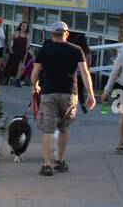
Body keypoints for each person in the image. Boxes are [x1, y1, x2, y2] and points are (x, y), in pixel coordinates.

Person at [31, 20, 96, 176]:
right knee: (64, 128)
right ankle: (59, 161)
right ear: (67, 34)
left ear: (52, 34)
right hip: (69, 93)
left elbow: (35, 73)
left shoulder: (44, 50)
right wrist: (91, 94)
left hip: (48, 93)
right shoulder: (76, 50)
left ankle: (47, 165)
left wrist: (35, 85)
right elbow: (85, 73)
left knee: (48, 129)